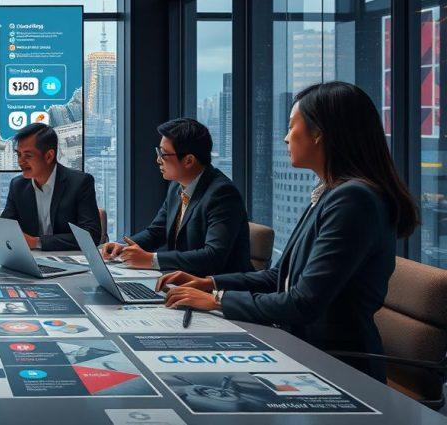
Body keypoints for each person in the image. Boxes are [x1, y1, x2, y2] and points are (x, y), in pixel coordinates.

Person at [158, 82, 417, 383]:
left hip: (335, 368)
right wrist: (208, 282)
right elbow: (278, 276)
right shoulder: (330, 194)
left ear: (319, 134)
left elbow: (302, 302)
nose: (285, 137)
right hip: (303, 348)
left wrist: (217, 300)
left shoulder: (353, 200)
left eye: (292, 126)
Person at [100, 118, 252, 276]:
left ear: (189, 160)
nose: (158, 160)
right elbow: (155, 232)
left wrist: (152, 259)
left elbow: (213, 256)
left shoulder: (222, 194)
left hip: (217, 291)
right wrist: (121, 247)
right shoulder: (177, 187)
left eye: (163, 154)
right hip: (184, 282)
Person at [0, 123, 101, 250]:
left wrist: (37, 242)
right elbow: (4, 229)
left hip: (70, 259)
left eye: (28, 155)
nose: (20, 161)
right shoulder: (17, 185)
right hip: (30, 260)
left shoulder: (80, 183)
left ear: (49, 156)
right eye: (19, 154)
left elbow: (91, 235)